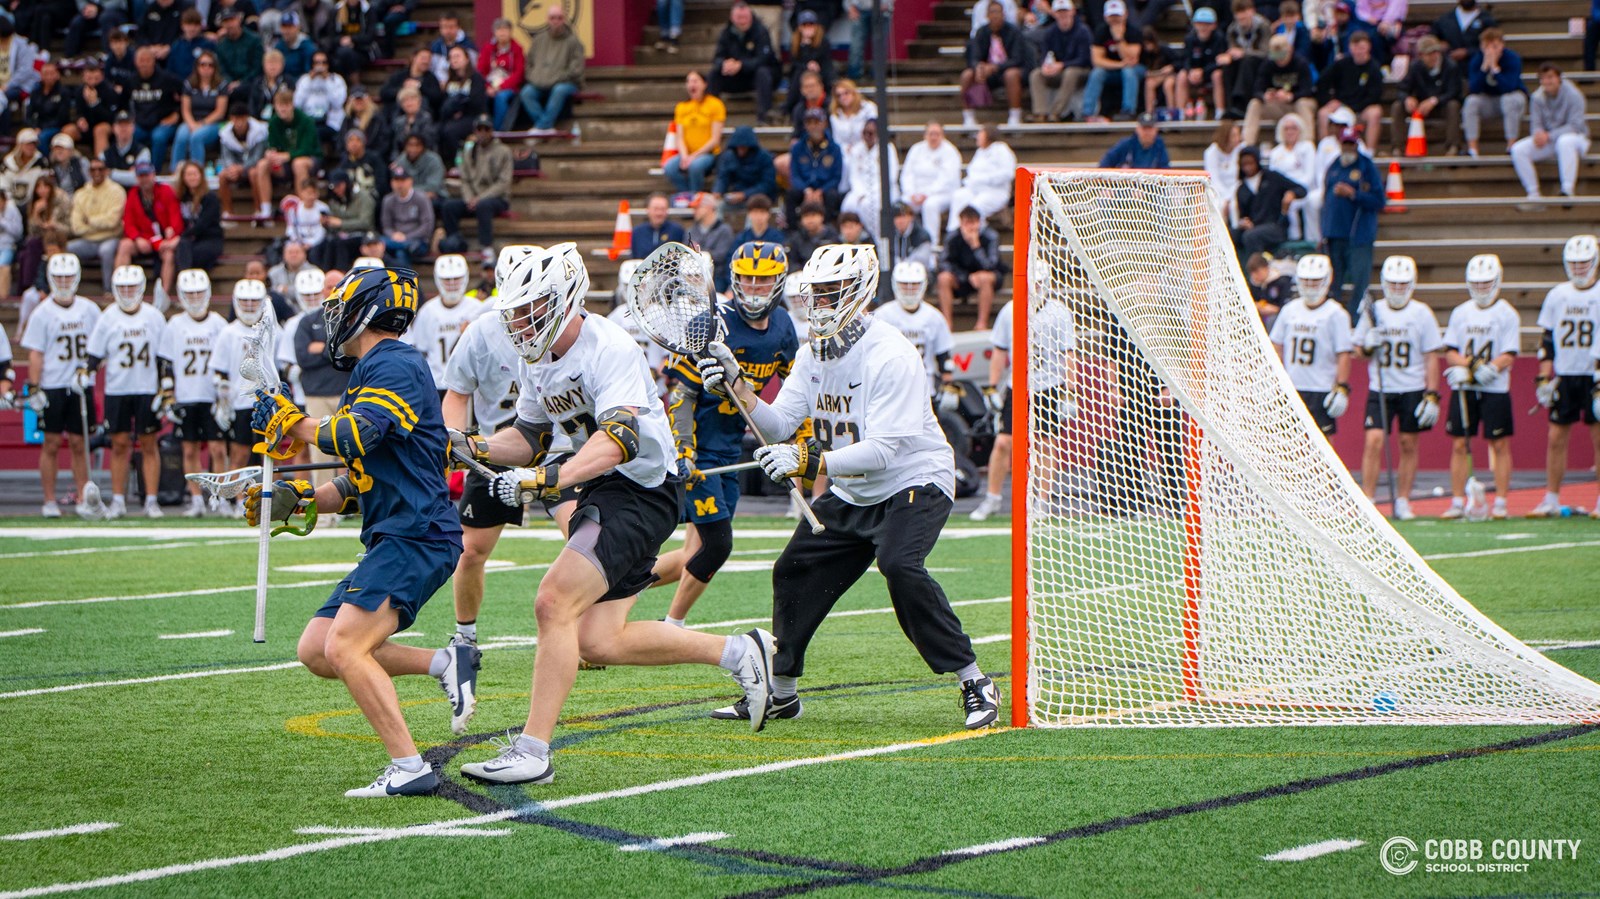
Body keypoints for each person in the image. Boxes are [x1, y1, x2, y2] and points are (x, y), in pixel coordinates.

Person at [455, 243, 778, 784]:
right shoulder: (537, 358)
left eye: (528, 308)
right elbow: (528, 437)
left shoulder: (607, 345)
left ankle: (533, 750)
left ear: (563, 300)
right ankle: (740, 653)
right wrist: (470, 446)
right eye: (512, 310)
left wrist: (548, 479)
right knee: (598, 640)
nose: (517, 321)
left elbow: (619, 439)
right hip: (610, 486)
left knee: (553, 601)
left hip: (639, 488)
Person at [695, 242, 999, 729]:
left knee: (900, 565)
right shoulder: (813, 352)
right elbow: (777, 425)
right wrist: (740, 386)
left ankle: (973, 679)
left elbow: (885, 451)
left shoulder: (890, 354)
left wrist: (806, 458)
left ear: (860, 293)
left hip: (913, 479)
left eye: (831, 293)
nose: (819, 304)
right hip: (857, 488)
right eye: (815, 293)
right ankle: (783, 692)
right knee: (793, 569)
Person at [245, 265, 474, 797]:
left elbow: (349, 435)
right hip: (396, 530)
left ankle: (409, 765)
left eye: (339, 308)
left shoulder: (394, 364)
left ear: (365, 309)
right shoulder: (370, 370)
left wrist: (293, 421)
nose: (332, 321)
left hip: (417, 532)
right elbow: (356, 479)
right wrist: (299, 498)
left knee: (346, 647)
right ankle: (446, 662)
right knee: (318, 648)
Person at [652, 241, 798, 628]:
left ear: (778, 284)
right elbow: (681, 395)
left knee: (692, 553)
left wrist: (798, 441)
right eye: (747, 279)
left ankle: (614, 591)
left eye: (763, 281)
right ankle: (672, 626)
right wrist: (683, 451)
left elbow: (795, 388)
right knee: (717, 546)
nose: (753, 288)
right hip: (700, 452)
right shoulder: (708, 322)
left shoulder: (783, 327)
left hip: (733, 450)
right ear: (734, 279)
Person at [440, 303, 527, 649]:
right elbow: (457, 393)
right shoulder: (482, 330)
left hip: (556, 450)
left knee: (581, 541)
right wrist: (454, 439)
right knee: (470, 550)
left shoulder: (571, 329)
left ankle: (588, 632)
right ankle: (466, 635)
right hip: (494, 449)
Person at [970, 286, 1076, 520]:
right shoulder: (1010, 310)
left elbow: (1068, 354)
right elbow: (999, 351)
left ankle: (1042, 501)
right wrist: (991, 387)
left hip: (1049, 384)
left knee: (1045, 443)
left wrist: (1070, 391)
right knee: (1002, 443)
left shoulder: (1058, 312)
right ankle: (993, 498)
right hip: (1017, 386)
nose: (1036, 289)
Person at [1353, 255, 1442, 521]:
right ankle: (1368, 499)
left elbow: (1430, 356)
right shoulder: (1374, 310)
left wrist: (1432, 394)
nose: (1397, 289)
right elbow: (1358, 351)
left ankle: (1403, 499)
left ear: (1412, 284)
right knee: (1374, 440)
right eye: (1393, 284)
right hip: (1380, 387)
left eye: (1403, 284)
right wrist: (1369, 343)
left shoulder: (1421, 313)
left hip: (1412, 387)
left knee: (1408, 443)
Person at [83, 265, 167, 519]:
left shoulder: (154, 316)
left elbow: (164, 357)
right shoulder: (108, 316)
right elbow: (95, 354)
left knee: (149, 443)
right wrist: (85, 371)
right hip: (118, 388)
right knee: (119, 444)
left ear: (141, 288)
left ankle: (151, 500)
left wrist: (166, 388)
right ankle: (118, 499)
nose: (128, 292)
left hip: (147, 387)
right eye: (122, 288)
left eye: (131, 287)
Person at [19, 254, 100, 518]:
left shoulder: (89, 309)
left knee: (80, 443)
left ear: (76, 278)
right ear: (51, 279)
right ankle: (50, 500)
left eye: (68, 277)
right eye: (59, 277)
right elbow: (36, 354)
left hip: (79, 386)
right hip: (53, 384)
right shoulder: (42, 312)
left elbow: (99, 348)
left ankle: (81, 497)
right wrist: (34, 387)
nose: (64, 282)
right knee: (51, 443)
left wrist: (89, 372)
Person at [1441, 254, 1519, 520]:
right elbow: (1450, 350)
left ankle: (1501, 502)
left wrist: (1492, 368)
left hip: (1495, 387)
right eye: (1477, 283)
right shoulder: (1461, 312)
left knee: (1499, 444)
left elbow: (1509, 353)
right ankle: (1456, 500)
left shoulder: (1507, 313)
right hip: (1465, 387)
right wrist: (1472, 366)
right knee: (1460, 444)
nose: (1482, 288)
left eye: (1487, 283)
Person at [1529, 235, 1600, 517]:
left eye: (1584, 263)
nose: (1579, 268)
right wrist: (1544, 379)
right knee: (1556, 437)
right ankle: (1551, 497)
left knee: (1598, 438)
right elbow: (1547, 340)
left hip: (1593, 376)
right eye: (1574, 263)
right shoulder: (1558, 295)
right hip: (1566, 374)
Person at [160, 270, 229, 517]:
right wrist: (168, 395)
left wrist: (224, 394)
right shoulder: (175, 325)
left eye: (199, 292)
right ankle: (196, 498)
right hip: (186, 394)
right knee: (189, 450)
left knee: (217, 449)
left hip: (211, 396)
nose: (195, 297)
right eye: (190, 293)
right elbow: (167, 363)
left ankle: (219, 496)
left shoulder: (219, 324)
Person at [1269, 254, 1353, 436]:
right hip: (1291, 387)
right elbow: (1276, 345)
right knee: (1286, 445)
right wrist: (1276, 379)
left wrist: (1341, 387)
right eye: (1306, 281)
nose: (1310, 286)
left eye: (1315, 281)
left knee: (1323, 446)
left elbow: (1343, 354)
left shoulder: (1336, 314)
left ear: (1327, 280)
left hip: (1321, 388)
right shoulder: (1290, 309)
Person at [289, 268, 353, 489]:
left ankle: (355, 504)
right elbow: (303, 357)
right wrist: (334, 350)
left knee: (352, 450)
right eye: (329, 287)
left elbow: (352, 353)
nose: (334, 291)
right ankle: (325, 513)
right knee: (320, 454)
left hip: (347, 393)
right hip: (316, 395)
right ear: (322, 290)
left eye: (339, 286)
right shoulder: (308, 321)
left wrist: (322, 349)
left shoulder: (353, 319)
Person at [210, 280, 274, 472]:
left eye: (254, 301)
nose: (249, 305)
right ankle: (239, 498)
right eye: (244, 301)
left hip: (268, 401)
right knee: (240, 452)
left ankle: (268, 496)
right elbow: (219, 370)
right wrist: (223, 397)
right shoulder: (228, 332)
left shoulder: (271, 330)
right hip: (240, 401)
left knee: (271, 453)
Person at [1321, 126, 1385, 317]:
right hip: (1334, 234)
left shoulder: (1367, 168)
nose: (1348, 148)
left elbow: (1379, 201)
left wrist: (1354, 194)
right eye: (1345, 144)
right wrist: (1323, 232)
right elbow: (1326, 201)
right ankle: (1334, 318)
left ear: (1356, 145)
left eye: (1351, 144)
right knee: (1334, 282)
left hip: (1358, 236)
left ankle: (1356, 320)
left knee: (1360, 280)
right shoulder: (1333, 166)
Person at [1510, 64, 1591, 208]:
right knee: (1518, 149)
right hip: (1550, 140)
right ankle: (1534, 195)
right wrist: (1538, 134)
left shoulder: (1574, 95)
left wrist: (1550, 135)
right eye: (1543, 78)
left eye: (1550, 77)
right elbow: (1536, 123)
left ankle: (1567, 191)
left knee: (1565, 141)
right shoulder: (1537, 97)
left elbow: (1576, 125)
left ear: (1559, 78)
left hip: (1576, 138)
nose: (1547, 82)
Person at [405, 253, 484, 390]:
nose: (452, 284)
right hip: (437, 383)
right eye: (447, 279)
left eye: (457, 279)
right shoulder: (428, 311)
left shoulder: (477, 308)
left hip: (470, 383)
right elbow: (420, 351)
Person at [879, 260, 955, 402]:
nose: (909, 289)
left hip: (925, 388)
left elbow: (944, 355)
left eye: (914, 285)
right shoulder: (883, 315)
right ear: (895, 284)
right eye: (904, 285)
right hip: (890, 388)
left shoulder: (934, 317)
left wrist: (948, 385)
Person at [441, 118, 511, 264]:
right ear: (475, 131)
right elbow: (465, 179)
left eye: (486, 129)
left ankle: (486, 247)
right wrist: (469, 198)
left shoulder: (504, 151)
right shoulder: (469, 151)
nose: (483, 133)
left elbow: (503, 183)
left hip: (497, 198)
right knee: (448, 206)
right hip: (473, 197)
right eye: (479, 129)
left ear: (492, 131)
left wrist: (480, 198)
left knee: (483, 205)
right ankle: (455, 242)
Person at [115, 162, 182, 297]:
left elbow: (176, 218)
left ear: (153, 175)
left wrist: (171, 234)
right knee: (124, 245)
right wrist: (136, 238)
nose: (144, 179)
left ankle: (164, 294)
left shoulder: (166, 191)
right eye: (141, 176)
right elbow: (128, 222)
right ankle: (120, 289)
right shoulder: (133, 194)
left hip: (163, 239)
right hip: (144, 238)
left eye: (147, 175)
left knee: (169, 254)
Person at [1391, 36, 1463, 157]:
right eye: (1429, 53)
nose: (1433, 56)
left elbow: (1454, 92)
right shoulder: (1415, 67)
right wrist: (1407, 98)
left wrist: (1435, 100)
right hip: (1420, 106)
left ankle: (1453, 146)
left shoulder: (1450, 67)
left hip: (1442, 105)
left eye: (1435, 52)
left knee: (1453, 106)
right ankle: (1398, 147)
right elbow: (1402, 88)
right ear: (1421, 55)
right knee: (1397, 106)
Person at [517, 6, 584, 134]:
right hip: (539, 83)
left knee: (559, 90)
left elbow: (576, 69)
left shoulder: (573, 41)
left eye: (559, 18)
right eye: (553, 18)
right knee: (526, 92)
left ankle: (542, 127)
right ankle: (546, 127)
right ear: (547, 19)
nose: (555, 21)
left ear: (564, 20)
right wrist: (534, 77)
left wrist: (556, 77)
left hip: (567, 83)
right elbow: (529, 64)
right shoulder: (538, 40)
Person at [709, 1, 779, 124]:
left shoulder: (761, 31)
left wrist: (742, 65)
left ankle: (764, 116)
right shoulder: (726, 33)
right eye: (739, 18)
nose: (742, 21)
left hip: (755, 77)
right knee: (714, 74)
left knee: (763, 73)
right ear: (732, 18)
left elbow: (764, 59)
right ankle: (708, 115)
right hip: (734, 78)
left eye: (745, 17)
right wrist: (725, 64)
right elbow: (717, 57)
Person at [961, 1, 1028, 128]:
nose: (996, 16)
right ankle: (968, 118)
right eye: (993, 12)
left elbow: (1017, 59)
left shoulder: (1013, 32)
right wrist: (979, 67)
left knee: (1011, 75)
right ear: (987, 15)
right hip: (987, 72)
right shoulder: (981, 32)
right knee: (967, 75)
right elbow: (973, 56)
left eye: (999, 12)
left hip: (1007, 70)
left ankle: (1015, 116)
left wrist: (996, 67)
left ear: (1004, 15)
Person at [1241, 34, 1317, 146]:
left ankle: (1307, 144)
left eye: (1282, 55)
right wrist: (1265, 96)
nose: (1279, 60)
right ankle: (1247, 143)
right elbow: (1257, 89)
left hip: (1297, 103)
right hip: (1278, 105)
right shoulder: (1267, 65)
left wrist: (1291, 96)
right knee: (1255, 104)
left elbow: (1308, 90)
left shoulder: (1301, 63)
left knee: (1303, 104)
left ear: (1289, 50)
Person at [1462, 28, 1526, 157]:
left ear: (1502, 45)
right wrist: (1484, 68)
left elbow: (1509, 86)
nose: (1490, 51)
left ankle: (1511, 145)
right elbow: (1473, 89)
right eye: (1486, 46)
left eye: (1495, 46)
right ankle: (1472, 149)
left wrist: (1496, 69)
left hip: (1513, 99)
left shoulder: (1512, 58)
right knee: (1471, 102)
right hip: (1489, 100)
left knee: (1509, 100)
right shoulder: (1477, 60)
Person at [938, 205, 1006, 329]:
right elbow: (944, 262)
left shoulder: (990, 237)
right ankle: (947, 324)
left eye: (973, 223)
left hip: (985, 278)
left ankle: (981, 324)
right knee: (943, 278)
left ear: (979, 222)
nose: (970, 227)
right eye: (966, 223)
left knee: (985, 278)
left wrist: (976, 247)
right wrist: (965, 276)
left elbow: (992, 265)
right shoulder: (952, 237)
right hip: (961, 278)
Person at [1315, 31, 1383, 151]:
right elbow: (1322, 81)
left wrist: (1353, 107)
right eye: (1355, 47)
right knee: (1323, 113)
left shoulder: (1374, 68)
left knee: (1375, 112)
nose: (1359, 51)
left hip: (1362, 108)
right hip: (1342, 106)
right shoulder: (1341, 64)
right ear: (1350, 48)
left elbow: (1375, 96)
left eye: (1362, 47)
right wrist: (1328, 101)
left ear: (1368, 47)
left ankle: (1370, 151)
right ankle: (1325, 151)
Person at [1232, 145, 1304, 256]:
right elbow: (1243, 215)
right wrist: (1244, 223)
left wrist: (1292, 194)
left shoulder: (1272, 177)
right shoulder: (1241, 189)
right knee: (1233, 234)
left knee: (1250, 236)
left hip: (1276, 226)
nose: (1248, 168)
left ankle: (1258, 268)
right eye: (1244, 164)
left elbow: (1301, 189)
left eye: (1251, 163)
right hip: (1254, 227)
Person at [67, 158, 125, 293]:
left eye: (100, 169)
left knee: (106, 251)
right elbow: (76, 226)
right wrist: (98, 225)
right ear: (89, 172)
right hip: (88, 240)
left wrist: (89, 221)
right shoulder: (81, 194)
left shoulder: (117, 191)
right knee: (66, 249)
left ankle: (109, 291)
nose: (97, 172)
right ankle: (69, 290)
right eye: (93, 169)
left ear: (106, 171)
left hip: (111, 238)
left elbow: (112, 221)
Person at [1029, 0, 1093, 122]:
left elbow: (1085, 59)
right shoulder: (1050, 33)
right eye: (1060, 12)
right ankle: (1040, 113)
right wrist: (1046, 66)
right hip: (1058, 69)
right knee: (1036, 74)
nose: (1063, 15)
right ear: (1054, 14)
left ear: (1072, 12)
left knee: (1071, 73)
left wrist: (1062, 65)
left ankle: (1056, 112)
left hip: (1080, 70)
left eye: (1065, 11)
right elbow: (1044, 54)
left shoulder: (1083, 31)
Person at [839, 118, 897, 251]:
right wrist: (861, 193)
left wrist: (873, 193)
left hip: (883, 189)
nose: (868, 136)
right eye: (865, 133)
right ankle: (849, 239)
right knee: (848, 204)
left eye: (872, 133)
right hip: (860, 189)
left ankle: (878, 239)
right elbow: (854, 176)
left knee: (874, 205)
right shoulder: (857, 150)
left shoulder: (887, 149)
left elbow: (891, 176)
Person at [945, 124, 1014, 235]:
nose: (977, 137)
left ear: (988, 136)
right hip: (975, 189)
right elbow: (972, 172)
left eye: (980, 134)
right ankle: (953, 234)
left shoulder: (1002, 150)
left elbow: (1007, 174)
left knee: (974, 207)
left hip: (995, 192)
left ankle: (978, 237)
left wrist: (985, 180)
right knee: (958, 196)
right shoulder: (980, 152)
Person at [666, 71, 726, 196]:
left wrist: (694, 156)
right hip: (687, 153)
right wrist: (684, 155)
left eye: (695, 81)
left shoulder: (715, 105)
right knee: (669, 168)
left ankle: (696, 196)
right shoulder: (681, 107)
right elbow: (679, 136)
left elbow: (715, 139)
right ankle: (687, 194)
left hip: (708, 153)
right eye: (688, 81)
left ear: (704, 84)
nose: (691, 85)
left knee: (695, 166)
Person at [899, 121, 963, 237]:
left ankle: (931, 245)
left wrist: (926, 194)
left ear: (943, 136)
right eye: (930, 134)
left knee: (930, 205)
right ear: (925, 135)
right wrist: (911, 192)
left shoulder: (950, 152)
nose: (933, 137)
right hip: (916, 193)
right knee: (901, 205)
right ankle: (905, 241)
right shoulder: (916, 149)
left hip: (942, 194)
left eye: (937, 134)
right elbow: (907, 174)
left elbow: (947, 179)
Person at [126, 46, 184, 174]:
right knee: (129, 134)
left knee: (158, 137)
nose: (144, 64)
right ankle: (132, 171)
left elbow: (187, 94)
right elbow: (123, 103)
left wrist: (177, 114)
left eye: (147, 60)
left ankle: (154, 173)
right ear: (136, 62)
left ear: (154, 61)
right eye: (141, 60)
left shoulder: (167, 79)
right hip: (141, 123)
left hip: (162, 122)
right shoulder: (131, 81)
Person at [1082, 0, 1142, 122]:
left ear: (1125, 14)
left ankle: (1128, 110)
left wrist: (1119, 39)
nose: (1115, 19)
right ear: (1105, 16)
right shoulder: (1101, 31)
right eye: (1112, 16)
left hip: (1135, 69)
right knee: (1097, 73)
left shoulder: (1134, 31)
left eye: (1117, 16)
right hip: (1113, 69)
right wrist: (1119, 64)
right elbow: (1096, 60)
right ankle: (1087, 112)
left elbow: (1132, 59)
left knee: (1129, 72)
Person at [169, 51, 228, 170]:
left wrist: (201, 124)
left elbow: (220, 112)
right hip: (192, 120)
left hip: (213, 123)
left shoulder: (221, 85)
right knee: (181, 134)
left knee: (196, 137)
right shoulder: (189, 84)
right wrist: (192, 124)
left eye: (210, 65)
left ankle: (197, 171)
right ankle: (176, 171)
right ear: (197, 66)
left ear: (215, 67)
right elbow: (185, 110)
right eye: (203, 64)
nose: (206, 68)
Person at [786, 108, 843, 225]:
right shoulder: (798, 148)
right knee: (791, 194)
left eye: (817, 122)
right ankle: (792, 230)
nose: (813, 126)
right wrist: (806, 190)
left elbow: (836, 177)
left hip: (825, 189)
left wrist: (821, 191)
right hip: (804, 188)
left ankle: (827, 229)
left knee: (833, 196)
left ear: (825, 123)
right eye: (809, 123)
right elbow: (794, 174)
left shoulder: (834, 148)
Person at [1268, 113, 1317, 242]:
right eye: (1286, 128)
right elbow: (1274, 176)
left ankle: (1308, 239)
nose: (1290, 132)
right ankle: (1288, 238)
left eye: (1293, 128)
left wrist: (1295, 191)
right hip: (1283, 190)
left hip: (1304, 188)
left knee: (1299, 203)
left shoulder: (1307, 147)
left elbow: (1310, 174)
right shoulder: (1276, 152)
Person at [217, 103, 271, 219]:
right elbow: (225, 156)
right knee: (222, 176)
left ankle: (258, 210)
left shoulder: (259, 131)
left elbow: (258, 156)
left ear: (247, 118)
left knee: (254, 173)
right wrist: (232, 168)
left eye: (242, 119)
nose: (239, 123)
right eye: (236, 119)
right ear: (231, 119)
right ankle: (228, 212)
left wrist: (242, 168)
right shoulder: (225, 134)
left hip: (252, 167)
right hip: (236, 168)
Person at [437, 45, 488, 166]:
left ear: (467, 59)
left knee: (450, 131)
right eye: (451, 57)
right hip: (452, 117)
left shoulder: (476, 78)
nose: (454, 59)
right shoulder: (449, 81)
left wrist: (460, 107)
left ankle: (459, 164)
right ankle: (444, 164)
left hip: (473, 117)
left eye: (457, 56)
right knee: (437, 130)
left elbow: (478, 102)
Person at [261, 89, 318, 193]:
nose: (282, 109)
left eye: (286, 105)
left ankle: (302, 205)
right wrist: (271, 154)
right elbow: (273, 145)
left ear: (292, 105)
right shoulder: (273, 122)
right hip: (284, 163)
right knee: (262, 165)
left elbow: (307, 149)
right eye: (279, 105)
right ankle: (265, 207)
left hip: (309, 158)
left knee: (298, 164)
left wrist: (287, 156)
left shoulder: (306, 121)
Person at [174, 160, 223, 272]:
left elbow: (203, 224)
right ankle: (184, 279)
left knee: (193, 253)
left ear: (201, 176)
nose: (192, 178)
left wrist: (182, 235)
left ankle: (191, 281)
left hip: (209, 238)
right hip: (189, 238)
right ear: (183, 177)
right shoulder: (182, 197)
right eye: (189, 175)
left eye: (195, 174)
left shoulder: (210, 198)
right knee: (182, 246)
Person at [379, 166, 433, 266]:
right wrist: (394, 235)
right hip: (396, 239)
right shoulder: (388, 200)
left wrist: (407, 237)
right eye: (396, 181)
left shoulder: (421, 198)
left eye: (402, 180)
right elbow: (386, 226)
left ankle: (403, 278)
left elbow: (427, 226)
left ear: (410, 181)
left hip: (418, 240)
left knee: (401, 250)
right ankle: (406, 278)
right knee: (392, 246)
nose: (399, 184)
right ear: (392, 183)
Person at [787, 10, 836, 119]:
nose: (808, 27)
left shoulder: (824, 41)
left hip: (822, 72)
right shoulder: (796, 43)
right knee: (800, 75)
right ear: (800, 27)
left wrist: (812, 63)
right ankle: (790, 108)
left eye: (811, 24)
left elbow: (825, 60)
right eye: (805, 25)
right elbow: (795, 62)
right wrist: (805, 47)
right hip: (802, 74)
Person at [714, 126, 778, 208]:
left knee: (756, 209)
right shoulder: (729, 157)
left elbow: (767, 184)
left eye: (743, 147)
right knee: (718, 206)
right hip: (736, 197)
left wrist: (745, 194)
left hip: (760, 198)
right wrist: (718, 191)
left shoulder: (764, 157)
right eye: (738, 147)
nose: (740, 150)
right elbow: (723, 177)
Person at [293, 51, 347, 145]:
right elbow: (296, 104)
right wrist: (309, 81)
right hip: (308, 120)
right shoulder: (304, 80)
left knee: (314, 132)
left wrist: (327, 81)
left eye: (324, 62)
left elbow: (337, 103)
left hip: (330, 123)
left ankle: (315, 158)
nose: (320, 66)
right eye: (317, 63)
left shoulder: (337, 80)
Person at [687, 194, 736, 294]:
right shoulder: (691, 231)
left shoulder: (724, 230)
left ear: (708, 208)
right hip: (693, 278)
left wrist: (699, 253)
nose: (694, 211)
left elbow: (721, 256)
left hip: (717, 279)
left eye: (697, 208)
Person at [73, 61, 123, 160]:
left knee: (99, 129)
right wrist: (80, 119)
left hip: (106, 127)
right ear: (84, 77)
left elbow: (111, 118)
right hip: (87, 128)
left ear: (101, 76)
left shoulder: (109, 91)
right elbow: (78, 112)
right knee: (68, 130)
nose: (92, 81)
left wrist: (94, 104)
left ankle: (100, 165)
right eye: (89, 78)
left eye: (95, 78)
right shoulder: (80, 91)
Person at [1430, 0, 1494, 67]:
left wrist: (1468, 52)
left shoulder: (1487, 20)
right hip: (1450, 71)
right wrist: (1439, 45)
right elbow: (1431, 40)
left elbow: (1494, 46)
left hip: (1479, 70)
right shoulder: (1444, 20)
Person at [380, 48, 444, 114]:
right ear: (414, 58)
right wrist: (404, 90)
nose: (426, 61)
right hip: (398, 113)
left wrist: (420, 87)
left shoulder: (431, 78)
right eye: (423, 58)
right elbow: (384, 93)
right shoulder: (400, 75)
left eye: (429, 59)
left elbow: (437, 98)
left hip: (422, 115)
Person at [1205, 119, 1243, 225]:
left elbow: (1239, 178)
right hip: (1218, 191)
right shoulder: (1211, 152)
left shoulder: (1241, 150)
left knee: (1234, 205)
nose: (1237, 139)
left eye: (1238, 135)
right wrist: (1225, 197)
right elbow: (1213, 179)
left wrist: (1231, 197)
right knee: (1219, 205)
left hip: (1236, 189)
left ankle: (1236, 232)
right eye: (1234, 136)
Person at [1098, 112, 1170, 168]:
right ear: (1137, 129)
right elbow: (1105, 163)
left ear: (1156, 129)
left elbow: (1165, 168)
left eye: (1150, 128)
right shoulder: (1126, 144)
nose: (1147, 132)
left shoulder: (1159, 145)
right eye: (1144, 128)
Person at [215, 9, 263, 91]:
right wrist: (230, 82)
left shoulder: (254, 40)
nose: (230, 24)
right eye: (226, 21)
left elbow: (257, 68)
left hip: (252, 83)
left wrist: (241, 82)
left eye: (232, 20)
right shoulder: (221, 45)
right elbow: (222, 69)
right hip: (229, 86)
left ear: (239, 19)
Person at [240, 49, 292, 121]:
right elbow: (252, 104)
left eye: (276, 63)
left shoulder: (288, 82)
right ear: (263, 65)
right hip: (260, 120)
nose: (273, 67)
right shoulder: (258, 82)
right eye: (270, 63)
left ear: (282, 65)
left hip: (281, 120)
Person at [631, 192, 686, 260]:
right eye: (655, 209)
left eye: (662, 209)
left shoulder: (677, 231)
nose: (659, 213)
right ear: (647, 209)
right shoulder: (637, 232)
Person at [786, 201, 840, 269]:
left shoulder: (833, 237)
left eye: (813, 215)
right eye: (806, 216)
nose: (810, 220)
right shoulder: (796, 239)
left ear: (822, 216)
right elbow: (791, 262)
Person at [887, 200, 936, 272]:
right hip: (895, 273)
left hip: (916, 273)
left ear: (911, 217)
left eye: (903, 216)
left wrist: (902, 266)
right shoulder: (889, 235)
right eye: (897, 217)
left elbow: (921, 261)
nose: (900, 221)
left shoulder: (922, 236)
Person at [429, 10, 478, 82]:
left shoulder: (468, 46)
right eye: (445, 27)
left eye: (451, 27)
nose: (448, 30)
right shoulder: (435, 46)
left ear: (458, 27)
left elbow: (474, 68)